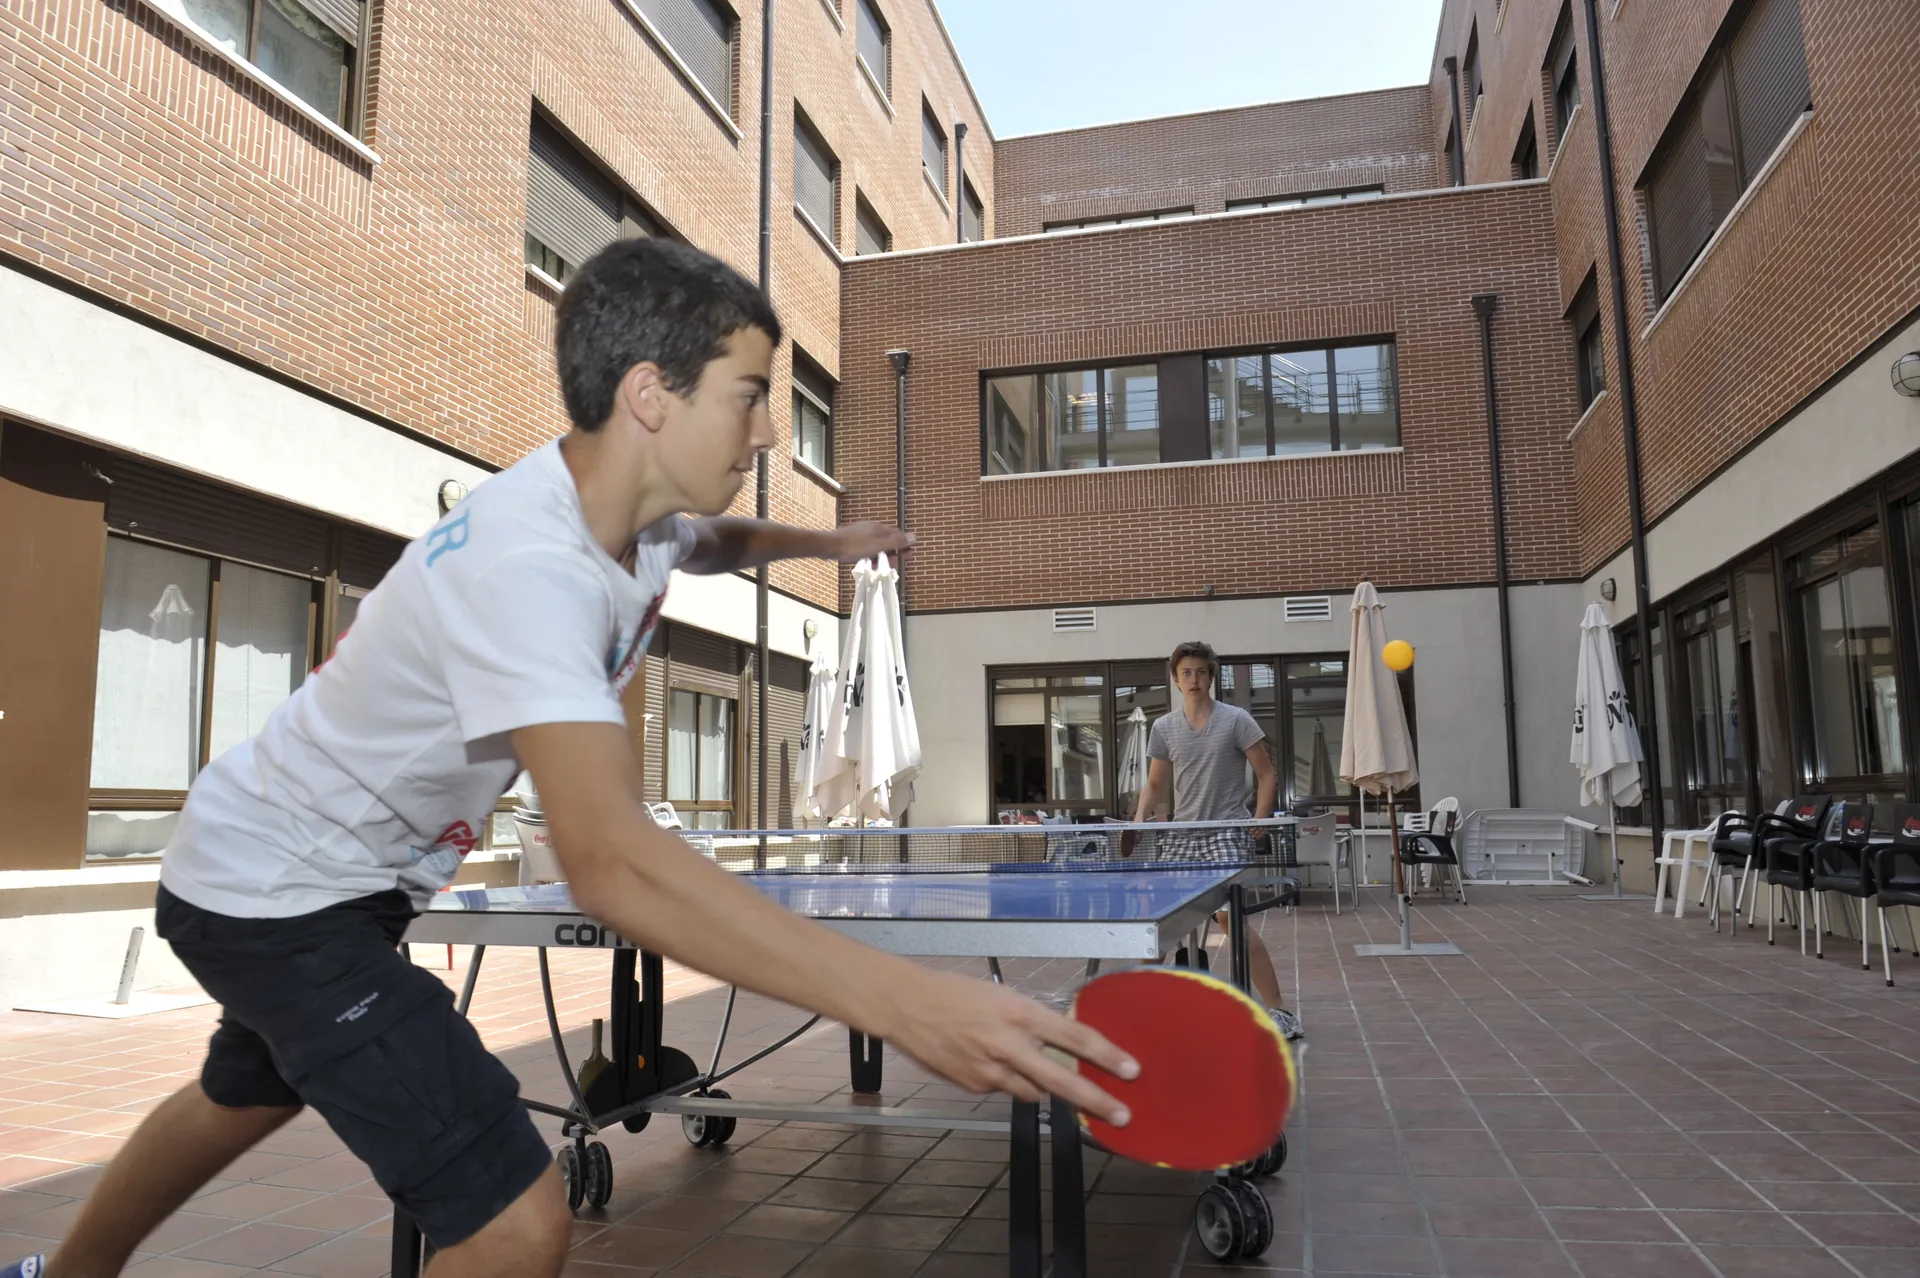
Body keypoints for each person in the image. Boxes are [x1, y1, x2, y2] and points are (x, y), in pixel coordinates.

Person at [2, 239, 1135, 1278]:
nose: (769, 436)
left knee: (242, 1096)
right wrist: (908, 1001)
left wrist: (833, 542)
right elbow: (612, 865)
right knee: (511, 1225)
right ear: (651, 394)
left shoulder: (638, 520)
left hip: (292, 871)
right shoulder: (529, 567)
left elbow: (718, 541)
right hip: (282, 893)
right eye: (750, 396)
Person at [1129, 640, 1304, 1040]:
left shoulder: (1236, 720)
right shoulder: (1163, 727)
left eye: (1201, 672)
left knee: (1229, 919)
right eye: (1186, 673)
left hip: (1227, 832)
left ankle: (1281, 1012)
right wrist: (1139, 817)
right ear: (1176, 680)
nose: (1194, 679)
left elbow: (1267, 775)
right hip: (1182, 836)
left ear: (1210, 678)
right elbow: (1155, 785)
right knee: (1160, 924)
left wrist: (1260, 819)